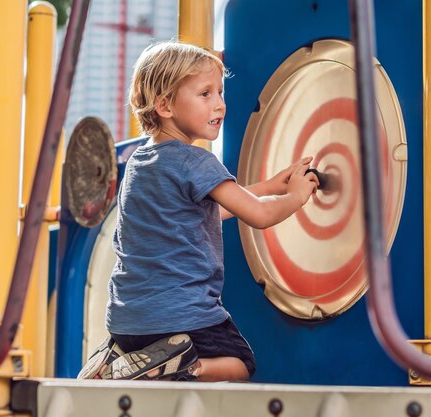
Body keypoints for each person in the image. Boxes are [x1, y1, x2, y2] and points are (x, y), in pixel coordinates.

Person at [77, 41, 318, 382]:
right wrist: (296, 196)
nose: (219, 104)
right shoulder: (195, 161)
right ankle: (182, 365)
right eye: (205, 94)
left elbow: (203, 215)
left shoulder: (139, 164)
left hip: (128, 322)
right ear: (165, 105)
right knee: (240, 363)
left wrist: (269, 187)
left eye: (220, 92)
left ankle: (122, 358)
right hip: (181, 317)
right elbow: (260, 216)